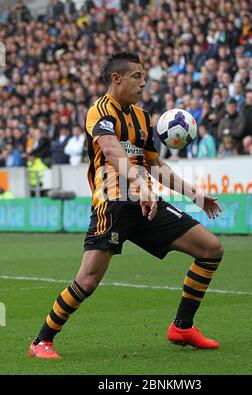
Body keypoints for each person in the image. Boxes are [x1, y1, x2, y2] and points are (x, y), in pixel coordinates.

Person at [28, 52, 223, 359]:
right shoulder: (99, 111)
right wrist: (140, 185)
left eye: (144, 77)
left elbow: (156, 166)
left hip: (146, 204)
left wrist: (195, 195)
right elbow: (110, 149)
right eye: (137, 77)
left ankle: (182, 327)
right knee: (88, 281)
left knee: (211, 249)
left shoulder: (143, 118)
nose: (143, 83)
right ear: (116, 78)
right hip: (113, 204)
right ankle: (41, 340)